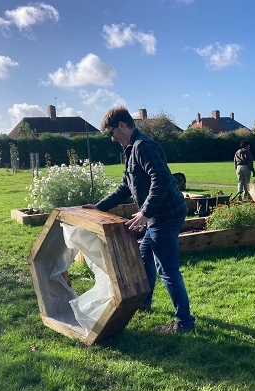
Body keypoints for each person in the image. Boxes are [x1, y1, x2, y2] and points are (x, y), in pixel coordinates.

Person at [83, 107, 195, 334]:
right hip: (156, 215)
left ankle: (184, 323)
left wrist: (145, 211)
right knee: (144, 259)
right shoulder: (131, 150)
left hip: (165, 215)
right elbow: (126, 186)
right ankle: (143, 303)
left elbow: (161, 179)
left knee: (167, 269)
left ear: (122, 125)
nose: (112, 138)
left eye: (112, 132)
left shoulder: (144, 146)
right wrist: (99, 207)